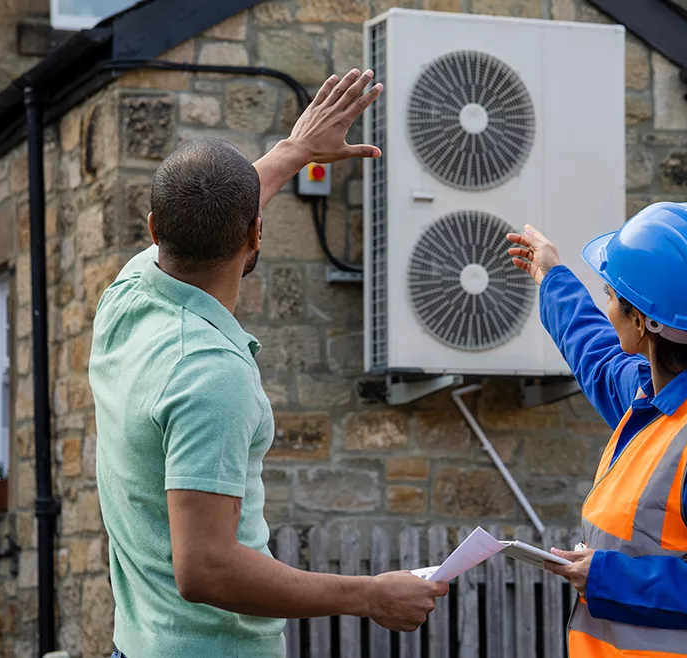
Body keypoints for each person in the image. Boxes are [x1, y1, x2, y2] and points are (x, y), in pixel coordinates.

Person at [90, 69, 447, 658]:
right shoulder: (209, 373)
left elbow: (206, 211)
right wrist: (368, 597)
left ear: (154, 230)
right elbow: (204, 567)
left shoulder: (127, 294)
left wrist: (293, 152)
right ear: (257, 235)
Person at [505, 202, 687, 657]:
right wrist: (551, 277)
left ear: (643, 322)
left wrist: (605, 577)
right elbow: (597, 355)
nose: (607, 308)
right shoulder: (655, 399)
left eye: (609, 295)